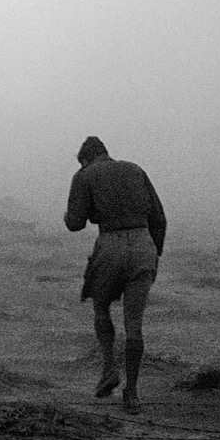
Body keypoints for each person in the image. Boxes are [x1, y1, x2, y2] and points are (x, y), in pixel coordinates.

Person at [64, 137, 166, 413]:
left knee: (100, 307)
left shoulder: (84, 175)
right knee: (134, 323)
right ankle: (131, 393)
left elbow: (74, 223)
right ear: (106, 153)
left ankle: (109, 369)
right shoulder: (135, 169)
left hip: (110, 243)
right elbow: (159, 218)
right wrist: (153, 255)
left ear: (85, 158)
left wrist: (75, 212)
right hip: (143, 244)